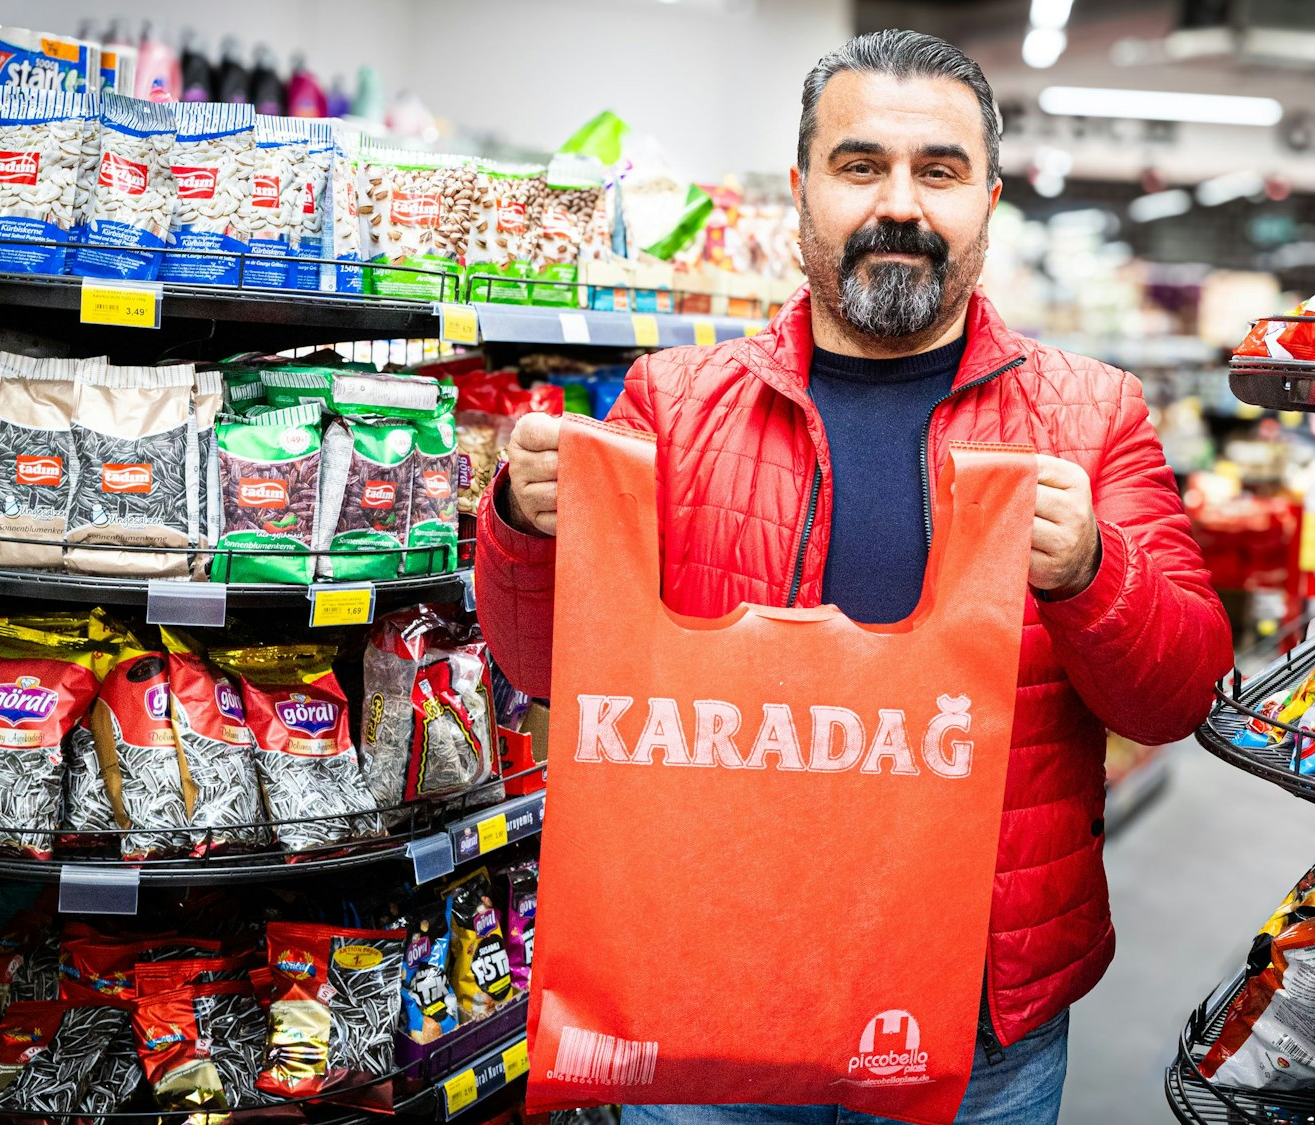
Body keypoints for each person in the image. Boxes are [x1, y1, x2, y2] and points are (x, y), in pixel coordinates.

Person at [476, 28, 1233, 1125]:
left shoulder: (1088, 415)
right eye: (859, 165)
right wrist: (520, 527)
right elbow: (543, 667)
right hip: (709, 976)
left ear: (987, 198)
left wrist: (1091, 572)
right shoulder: (669, 406)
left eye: (938, 171)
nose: (899, 206)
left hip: (972, 1011)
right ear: (800, 191)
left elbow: (1174, 696)